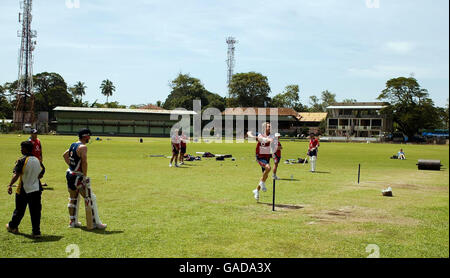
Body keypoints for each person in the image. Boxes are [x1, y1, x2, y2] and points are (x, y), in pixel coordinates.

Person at [63, 128, 107, 229]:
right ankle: (95, 223)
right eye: (88, 136)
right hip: (77, 176)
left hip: (70, 174)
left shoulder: (73, 144)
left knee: (72, 198)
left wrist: (71, 166)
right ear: (85, 136)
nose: (90, 138)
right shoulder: (83, 147)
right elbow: (84, 162)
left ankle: (72, 222)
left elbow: (64, 155)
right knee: (90, 198)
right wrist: (84, 176)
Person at [6, 141, 45, 238]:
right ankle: (36, 232)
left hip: (23, 190)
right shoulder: (37, 160)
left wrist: (10, 185)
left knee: (19, 211)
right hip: (36, 190)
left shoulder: (22, 160)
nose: (21, 149)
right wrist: (34, 177)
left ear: (26, 149)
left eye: (22, 148)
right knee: (35, 211)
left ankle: (12, 227)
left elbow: (16, 174)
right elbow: (42, 172)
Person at [248, 122, 273, 201]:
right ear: (264, 128)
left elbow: (271, 140)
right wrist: (253, 136)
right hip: (260, 157)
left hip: (267, 156)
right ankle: (262, 183)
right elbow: (248, 132)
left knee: (265, 175)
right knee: (268, 168)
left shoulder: (271, 135)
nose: (270, 128)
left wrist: (266, 139)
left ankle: (257, 191)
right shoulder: (259, 134)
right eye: (269, 127)